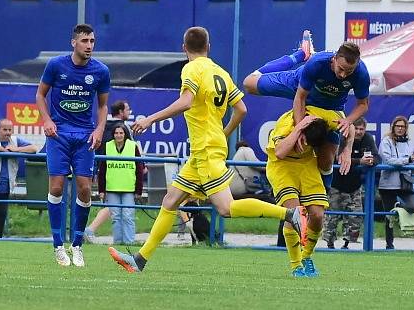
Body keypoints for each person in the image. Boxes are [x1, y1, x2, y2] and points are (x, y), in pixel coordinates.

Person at [108, 26, 302, 273]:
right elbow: (241, 109)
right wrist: (224, 133)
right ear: (208, 47)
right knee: (170, 200)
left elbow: (186, 102)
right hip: (205, 150)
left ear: (183, 48)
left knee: (226, 208)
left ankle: (289, 214)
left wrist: (149, 119)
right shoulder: (220, 71)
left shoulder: (191, 68)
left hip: (206, 151)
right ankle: (140, 260)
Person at [243, 33, 370, 187]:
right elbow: (300, 98)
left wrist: (348, 126)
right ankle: (301, 54)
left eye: (348, 72)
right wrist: (299, 130)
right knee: (249, 84)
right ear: (334, 58)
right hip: (299, 88)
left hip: (330, 106)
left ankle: (324, 199)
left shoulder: (361, 73)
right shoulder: (317, 63)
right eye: (341, 69)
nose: (343, 75)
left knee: (327, 162)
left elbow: (363, 105)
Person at [36, 23, 110, 267]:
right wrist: (46, 120)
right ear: (74, 42)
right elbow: (40, 95)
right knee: (56, 188)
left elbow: (102, 106)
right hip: (59, 135)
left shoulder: (100, 71)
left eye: (92, 41)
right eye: (85, 41)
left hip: (85, 137)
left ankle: (77, 245)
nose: (89, 46)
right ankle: (58, 244)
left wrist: (99, 129)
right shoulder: (56, 65)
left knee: (85, 189)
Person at [267, 105, 354, 277]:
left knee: (318, 215)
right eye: (305, 140)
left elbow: (349, 126)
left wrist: (347, 149)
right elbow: (279, 152)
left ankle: (306, 257)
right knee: (295, 213)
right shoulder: (287, 124)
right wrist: (298, 129)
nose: (306, 144)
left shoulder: (326, 116)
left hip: (307, 165)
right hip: (282, 166)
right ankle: (296, 265)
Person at [323, 117, 379, 249]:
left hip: (354, 185)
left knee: (355, 216)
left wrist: (372, 161)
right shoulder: (343, 137)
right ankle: (329, 243)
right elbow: (338, 158)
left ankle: (347, 243)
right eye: (357, 128)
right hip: (336, 183)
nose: (359, 132)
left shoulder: (368, 139)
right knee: (332, 217)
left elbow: (377, 157)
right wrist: (359, 161)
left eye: (362, 129)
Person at [84, 99, 134, 242]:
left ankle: (91, 230)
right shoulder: (123, 128)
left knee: (113, 207)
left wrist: (96, 170)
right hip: (119, 175)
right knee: (114, 208)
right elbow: (133, 149)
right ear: (120, 112)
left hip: (105, 171)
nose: (129, 112)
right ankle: (90, 230)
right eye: (127, 109)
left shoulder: (103, 126)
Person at [97, 122, 143, 244]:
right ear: (113, 134)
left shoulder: (133, 146)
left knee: (128, 216)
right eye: (116, 133)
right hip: (112, 188)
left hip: (129, 188)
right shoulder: (107, 146)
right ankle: (118, 242)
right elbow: (102, 169)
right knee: (115, 217)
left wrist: (139, 190)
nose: (118, 135)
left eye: (121, 133)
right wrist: (101, 190)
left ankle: (129, 243)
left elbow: (139, 169)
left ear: (125, 134)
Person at [378, 115, 414, 250]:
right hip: (388, 183)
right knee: (389, 217)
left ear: (406, 128)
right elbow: (388, 160)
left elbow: (411, 159)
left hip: (405, 181)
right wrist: (405, 160)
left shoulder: (409, 142)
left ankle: (398, 206)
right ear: (393, 127)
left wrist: (410, 160)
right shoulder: (386, 141)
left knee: (413, 207)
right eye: (398, 126)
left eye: (403, 126)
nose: (400, 129)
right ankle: (389, 244)